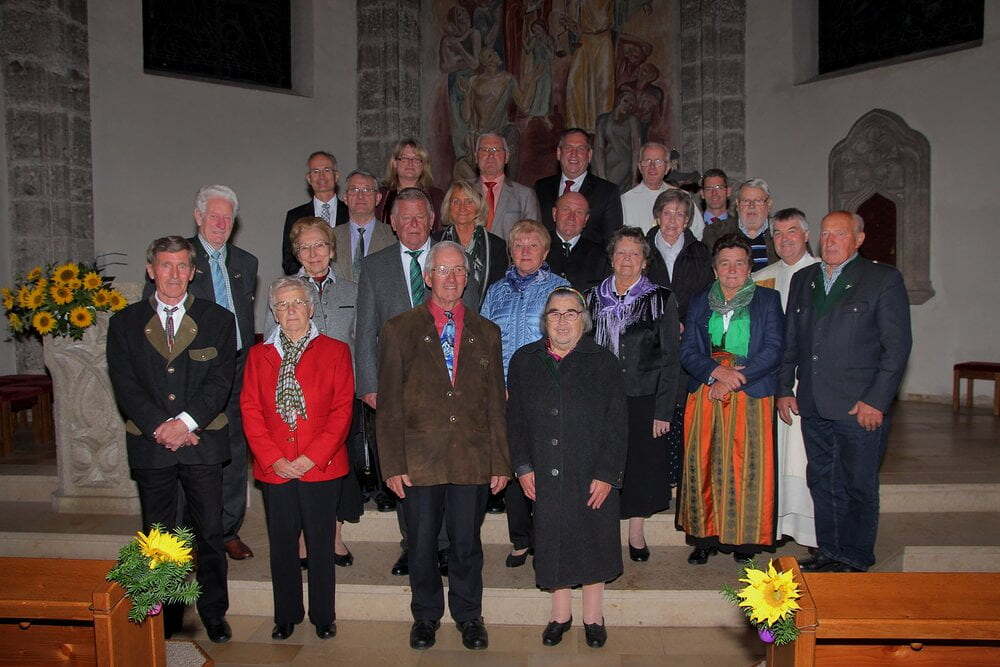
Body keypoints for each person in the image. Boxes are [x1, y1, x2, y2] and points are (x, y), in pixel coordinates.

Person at [376, 241, 510, 652]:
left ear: (467, 279)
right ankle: (425, 617)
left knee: (467, 544)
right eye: (443, 270)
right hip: (419, 459)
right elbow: (389, 405)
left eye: (459, 271)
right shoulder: (399, 329)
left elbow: (495, 402)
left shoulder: (487, 332)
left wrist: (500, 461)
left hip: (472, 456)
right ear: (427, 276)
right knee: (421, 544)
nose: (451, 278)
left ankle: (469, 616)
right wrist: (392, 464)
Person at [108, 236, 235, 643]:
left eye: (182, 266)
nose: (174, 274)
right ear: (151, 270)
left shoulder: (218, 319)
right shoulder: (124, 322)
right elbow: (125, 385)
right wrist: (161, 427)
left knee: (210, 532)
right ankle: (165, 617)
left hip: (202, 442)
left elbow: (221, 381)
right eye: (166, 265)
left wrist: (186, 423)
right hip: (151, 444)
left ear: (193, 271)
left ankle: (214, 613)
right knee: (159, 535)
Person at [355, 188, 480, 577]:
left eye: (420, 217)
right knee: (406, 471)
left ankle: (443, 547)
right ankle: (414, 545)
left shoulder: (453, 260)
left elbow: (473, 322)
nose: (412, 224)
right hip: (397, 390)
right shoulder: (374, 267)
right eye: (404, 217)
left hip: (450, 390)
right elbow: (366, 329)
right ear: (392, 223)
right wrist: (369, 385)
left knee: (446, 470)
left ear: (432, 220)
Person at [778, 211, 911, 573]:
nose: (831, 241)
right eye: (825, 234)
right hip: (813, 402)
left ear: (859, 239)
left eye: (839, 234)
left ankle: (855, 556)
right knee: (822, 480)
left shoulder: (882, 279)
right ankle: (830, 550)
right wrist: (784, 388)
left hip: (859, 407)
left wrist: (876, 400)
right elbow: (792, 340)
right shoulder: (805, 279)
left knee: (857, 483)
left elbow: (896, 348)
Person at [507, 287, 627, 649]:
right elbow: (515, 420)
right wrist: (522, 466)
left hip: (591, 471)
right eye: (555, 313)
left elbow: (617, 425)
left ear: (584, 320)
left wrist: (607, 474)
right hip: (545, 470)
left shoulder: (604, 362)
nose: (562, 321)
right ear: (545, 320)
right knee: (553, 539)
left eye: (571, 313)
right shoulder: (525, 360)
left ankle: (593, 616)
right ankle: (560, 615)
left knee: (593, 539)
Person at [142, 185, 258, 562]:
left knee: (234, 448)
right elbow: (154, 316)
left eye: (227, 217)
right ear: (198, 217)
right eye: (213, 216)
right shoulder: (178, 259)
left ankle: (227, 528)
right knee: (189, 448)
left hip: (237, 366)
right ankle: (186, 534)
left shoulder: (246, 263)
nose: (220, 223)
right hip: (191, 373)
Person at [241, 277, 353, 641]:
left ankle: (323, 616)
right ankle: (286, 614)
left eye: (297, 303)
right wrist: (273, 458)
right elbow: (251, 411)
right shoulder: (258, 356)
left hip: (321, 467)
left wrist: (310, 458)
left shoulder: (335, 351)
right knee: (282, 544)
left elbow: (341, 411)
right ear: (274, 313)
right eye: (282, 305)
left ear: (311, 308)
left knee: (321, 544)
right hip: (275, 469)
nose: (290, 311)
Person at [677, 234, 784, 564]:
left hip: (750, 393)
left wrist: (736, 378)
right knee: (704, 466)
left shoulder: (767, 299)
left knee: (746, 467)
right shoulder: (699, 301)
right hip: (707, 392)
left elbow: (773, 349)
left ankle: (744, 541)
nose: (732, 269)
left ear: (750, 268)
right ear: (715, 269)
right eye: (725, 263)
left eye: (739, 263)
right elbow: (687, 350)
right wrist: (715, 372)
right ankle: (704, 537)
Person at [585, 227, 679, 563]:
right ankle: (604, 530)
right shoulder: (590, 298)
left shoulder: (661, 298)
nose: (627, 259)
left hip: (644, 398)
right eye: (621, 253)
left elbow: (671, 358)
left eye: (634, 253)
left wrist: (663, 410)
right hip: (601, 399)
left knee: (639, 466)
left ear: (644, 262)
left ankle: (636, 532)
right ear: (611, 259)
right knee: (603, 463)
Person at [481, 218, 569, 566]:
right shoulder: (495, 291)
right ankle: (520, 539)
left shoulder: (560, 289)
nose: (526, 251)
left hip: (546, 392)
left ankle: (548, 537)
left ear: (545, 252)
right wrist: (494, 385)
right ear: (510, 251)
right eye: (519, 245)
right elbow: (484, 343)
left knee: (547, 465)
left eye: (534, 245)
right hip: (504, 393)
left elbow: (571, 341)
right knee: (514, 462)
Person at [282, 218, 363, 567]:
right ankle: (303, 536)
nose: (313, 253)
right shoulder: (285, 291)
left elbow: (363, 340)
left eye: (320, 245)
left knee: (341, 467)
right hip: (299, 399)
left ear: (331, 250)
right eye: (305, 247)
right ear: (296, 253)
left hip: (344, 396)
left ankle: (334, 535)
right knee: (305, 466)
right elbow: (273, 343)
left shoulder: (352, 290)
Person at [752, 208, 819, 548]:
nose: (784, 239)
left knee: (802, 455)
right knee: (774, 455)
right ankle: (776, 524)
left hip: (807, 381)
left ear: (806, 235)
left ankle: (808, 529)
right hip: (768, 380)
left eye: (792, 231)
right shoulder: (761, 278)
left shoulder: (823, 272)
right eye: (777, 233)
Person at [535, 128, 623, 248]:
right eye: (568, 148)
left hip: (591, 259)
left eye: (580, 149)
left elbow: (612, 241)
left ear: (589, 155)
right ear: (559, 153)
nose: (574, 154)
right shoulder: (541, 187)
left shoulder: (607, 191)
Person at [644, 189, 715, 322]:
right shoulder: (642, 250)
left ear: (686, 221)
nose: (672, 220)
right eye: (667, 213)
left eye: (679, 214)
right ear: (658, 217)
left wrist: (684, 322)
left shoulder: (701, 252)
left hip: (690, 325)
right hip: (651, 326)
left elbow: (707, 295)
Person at [435, 179, 508, 309]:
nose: (462, 207)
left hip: (484, 315)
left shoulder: (496, 245)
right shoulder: (435, 241)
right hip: (443, 313)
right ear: (448, 206)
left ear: (479, 207)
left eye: (469, 201)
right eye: (456, 201)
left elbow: (499, 290)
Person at [282, 151, 349, 275]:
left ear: (336, 176)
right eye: (316, 171)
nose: (321, 176)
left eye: (327, 170)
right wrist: (312, 277)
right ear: (309, 178)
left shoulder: (351, 212)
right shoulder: (295, 215)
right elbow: (288, 262)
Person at [622, 142, 704, 238]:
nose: (652, 166)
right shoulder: (625, 201)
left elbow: (698, 233)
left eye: (658, 161)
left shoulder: (682, 198)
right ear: (640, 167)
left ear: (667, 168)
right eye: (647, 161)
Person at [474, 132, 541, 242]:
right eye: (485, 150)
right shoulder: (463, 192)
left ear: (507, 157)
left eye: (496, 150)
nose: (491, 155)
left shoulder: (525, 195)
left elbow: (534, 237)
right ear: (476, 156)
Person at [702, 177, 779, 271]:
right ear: (737, 205)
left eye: (758, 201)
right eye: (746, 201)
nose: (751, 206)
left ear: (769, 204)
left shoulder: (780, 233)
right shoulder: (716, 233)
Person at [333, 170, 396, 282]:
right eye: (354, 190)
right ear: (345, 198)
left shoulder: (394, 237)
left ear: (378, 198)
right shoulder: (330, 237)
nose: (360, 196)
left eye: (367, 190)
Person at [374, 139, 445, 233]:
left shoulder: (436, 196)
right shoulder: (381, 196)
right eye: (404, 158)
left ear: (423, 165)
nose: (410, 163)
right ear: (395, 163)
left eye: (416, 159)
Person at [546, 191, 611, 293]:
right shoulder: (537, 247)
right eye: (566, 209)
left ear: (586, 219)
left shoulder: (601, 255)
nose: (571, 217)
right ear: (554, 214)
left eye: (579, 212)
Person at [699, 168, 733, 234]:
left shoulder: (739, 227)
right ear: (702, 194)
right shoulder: (692, 226)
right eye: (709, 188)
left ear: (728, 192)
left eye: (719, 188)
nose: (714, 193)